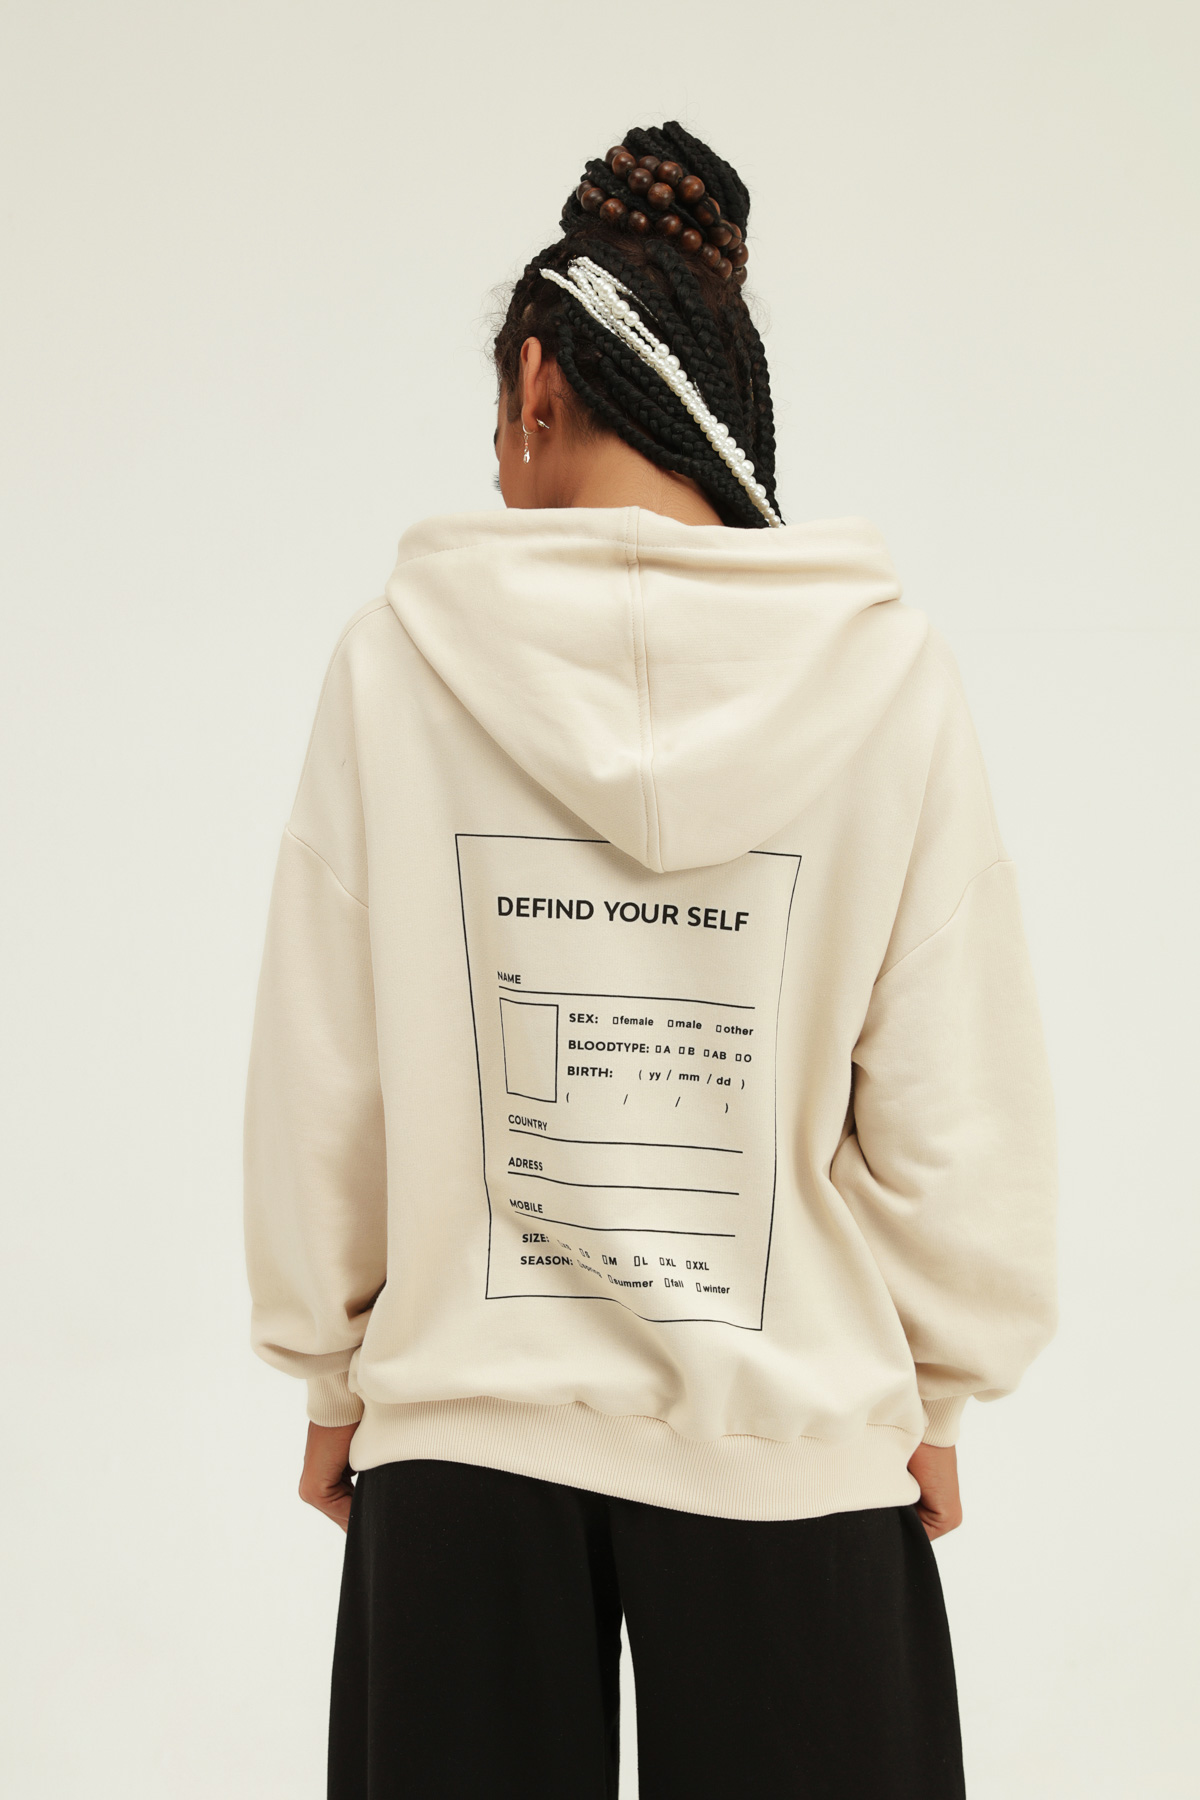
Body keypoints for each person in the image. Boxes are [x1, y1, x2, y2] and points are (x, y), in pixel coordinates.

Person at [243, 120, 1057, 1800]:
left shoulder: (396, 667)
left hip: (464, 1443)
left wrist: (330, 1368)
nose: (496, 476)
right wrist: (936, 1390)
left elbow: (330, 1075)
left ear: (539, 389)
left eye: (498, 429)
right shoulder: (886, 683)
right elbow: (954, 1107)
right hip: (792, 1446)